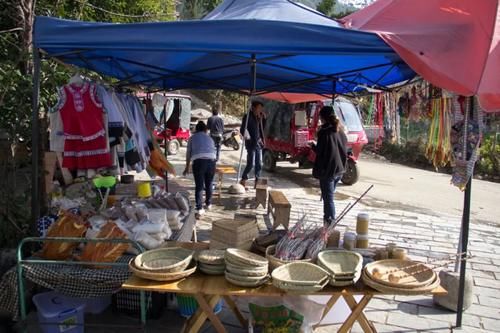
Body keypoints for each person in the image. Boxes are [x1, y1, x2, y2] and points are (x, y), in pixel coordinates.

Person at [311, 106, 348, 225]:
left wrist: (312, 145)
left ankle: (329, 224)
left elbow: (319, 151)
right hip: (340, 169)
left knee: (328, 200)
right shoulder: (340, 130)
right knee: (329, 197)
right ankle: (329, 222)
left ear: (322, 118)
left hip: (328, 170)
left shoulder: (324, 132)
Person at [183, 121, 216, 218]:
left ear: (196, 129)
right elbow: (213, 151)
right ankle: (209, 204)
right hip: (211, 162)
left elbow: (188, 154)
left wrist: (187, 167)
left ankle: (200, 208)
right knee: (209, 183)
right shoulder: (210, 138)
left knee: (199, 185)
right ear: (206, 129)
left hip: (199, 162)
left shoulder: (192, 138)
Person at [239, 101, 266, 189]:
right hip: (251, 144)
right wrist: (249, 138)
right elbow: (243, 129)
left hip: (258, 143)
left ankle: (257, 181)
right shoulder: (247, 117)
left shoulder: (259, 117)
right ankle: (243, 179)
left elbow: (262, 128)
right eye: (259, 108)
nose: (260, 110)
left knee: (258, 163)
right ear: (253, 108)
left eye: (261, 108)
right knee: (250, 163)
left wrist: (264, 119)